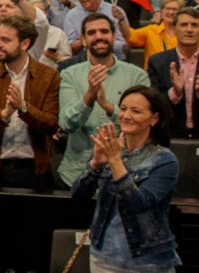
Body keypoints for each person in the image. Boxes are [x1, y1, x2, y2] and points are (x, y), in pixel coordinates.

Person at [71, 86, 182, 273]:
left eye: (136, 111)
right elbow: (78, 196)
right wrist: (95, 166)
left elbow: (139, 204)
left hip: (147, 262)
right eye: (123, 109)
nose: (126, 115)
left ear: (154, 119)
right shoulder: (111, 148)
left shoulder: (165, 161)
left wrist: (115, 162)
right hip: (103, 256)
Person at [58, 13, 151, 187]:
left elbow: (142, 124)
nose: (99, 36)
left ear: (114, 37)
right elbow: (66, 124)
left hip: (126, 174)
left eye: (104, 31)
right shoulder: (69, 75)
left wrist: (109, 107)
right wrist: (89, 97)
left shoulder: (137, 76)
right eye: (92, 33)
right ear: (83, 40)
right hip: (77, 175)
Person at [0, 15, 60, 190]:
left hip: (36, 169)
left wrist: (23, 108)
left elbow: (52, 124)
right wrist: (3, 115)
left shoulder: (48, 76)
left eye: (5, 40)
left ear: (25, 44)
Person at [145, 6, 199, 139]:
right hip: (170, 136)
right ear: (174, 29)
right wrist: (175, 92)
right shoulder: (157, 62)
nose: (189, 30)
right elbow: (153, 104)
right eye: (184, 25)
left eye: (194, 25)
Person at [63, 0, 128, 60]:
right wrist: (84, 42)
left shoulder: (116, 12)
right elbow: (68, 47)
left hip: (115, 60)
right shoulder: (72, 15)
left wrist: (100, 43)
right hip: (83, 63)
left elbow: (124, 43)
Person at [121, 0, 183, 69]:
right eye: (167, 8)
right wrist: (121, 20)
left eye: (175, 9)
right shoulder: (151, 30)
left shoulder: (186, 33)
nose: (171, 12)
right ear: (161, 12)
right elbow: (130, 36)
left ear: (182, 13)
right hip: (154, 75)